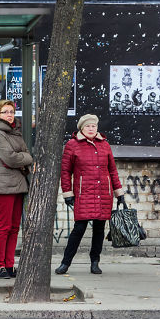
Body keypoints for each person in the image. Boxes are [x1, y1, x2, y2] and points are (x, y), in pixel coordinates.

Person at [55, 114, 125, 275]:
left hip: (103, 194)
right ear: (81, 128)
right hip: (83, 194)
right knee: (79, 228)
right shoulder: (72, 145)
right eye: (88, 126)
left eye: (94, 126)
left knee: (99, 229)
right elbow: (65, 172)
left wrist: (118, 192)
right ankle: (65, 263)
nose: (91, 129)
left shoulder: (104, 145)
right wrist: (67, 193)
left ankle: (95, 262)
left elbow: (112, 170)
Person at [0, 99, 33, 279]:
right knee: (4, 226)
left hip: (19, 183)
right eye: (5, 112)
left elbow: (21, 154)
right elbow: (12, 158)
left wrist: (22, 157)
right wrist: (27, 158)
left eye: (12, 112)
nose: (9, 115)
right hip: (5, 184)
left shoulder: (15, 132)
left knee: (14, 227)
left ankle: (9, 264)